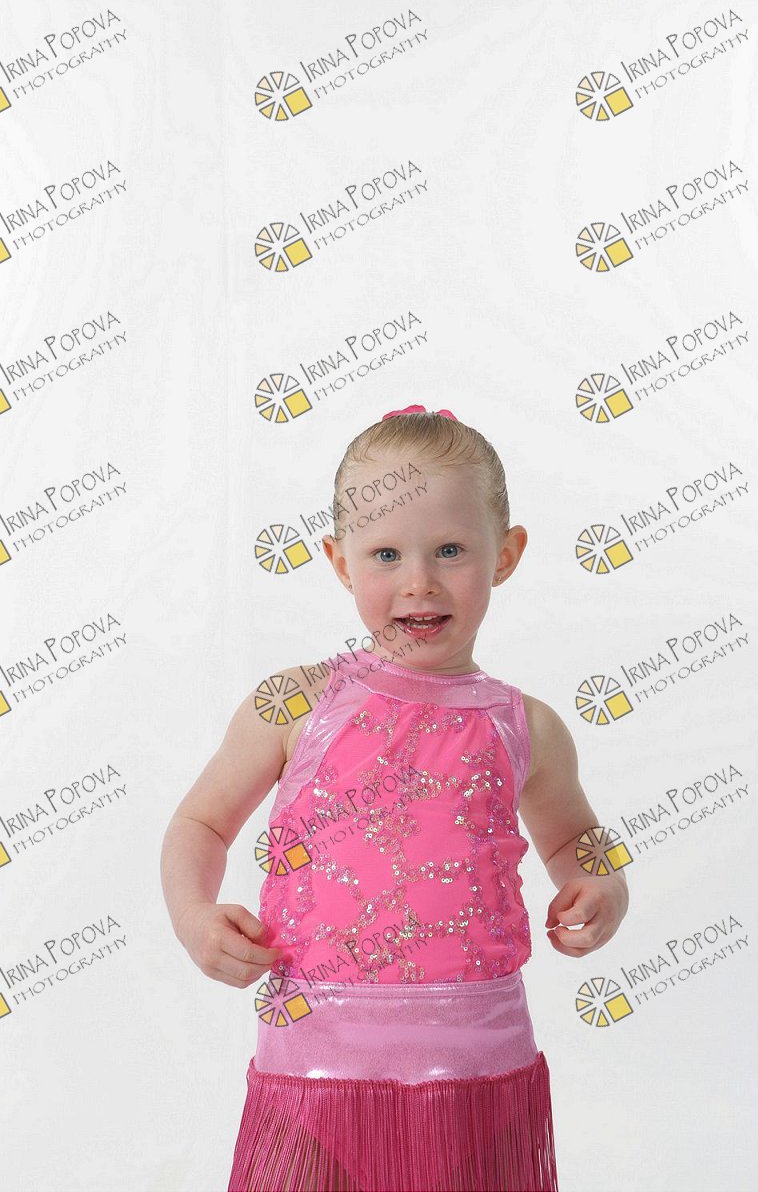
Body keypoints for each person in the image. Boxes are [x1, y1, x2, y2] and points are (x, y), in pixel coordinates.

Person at [160, 404, 630, 1191]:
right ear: (340, 562)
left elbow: (575, 840)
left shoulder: (525, 727)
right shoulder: (295, 705)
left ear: (506, 554)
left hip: (478, 1069)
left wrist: (603, 884)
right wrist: (193, 915)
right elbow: (199, 822)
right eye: (386, 554)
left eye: (450, 550)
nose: (419, 581)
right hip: (316, 1066)